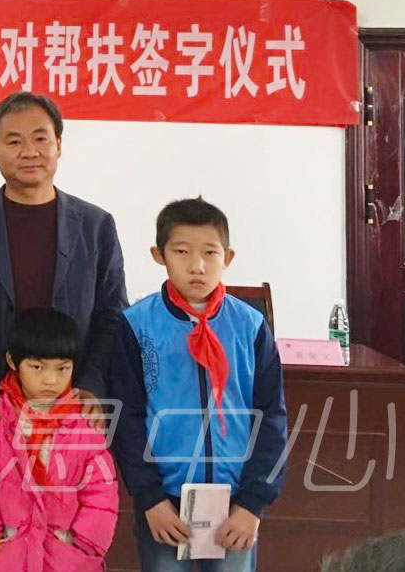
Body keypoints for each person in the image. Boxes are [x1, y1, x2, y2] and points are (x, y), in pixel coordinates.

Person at [110, 198, 288, 572]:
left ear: (228, 257)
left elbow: (271, 417)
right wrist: (149, 498)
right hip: (164, 502)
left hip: (236, 503)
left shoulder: (250, 326)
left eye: (210, 252)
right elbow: (126, 419)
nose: (197, 266)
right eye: (181, 251)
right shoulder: (136, 325)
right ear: (159, 255)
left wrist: (253, 503)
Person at [0, 92, 127, 431]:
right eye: (14, 141)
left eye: (40, 139)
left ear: (58, 145)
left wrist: (92, 384)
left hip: (71, 405)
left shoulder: (96, 225)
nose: (29, 152)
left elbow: (111, 314)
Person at [0, 308, 118, 571]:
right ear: (12, 361)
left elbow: (101, 492)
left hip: (65, 557)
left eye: (63, 368)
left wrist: (83, 547)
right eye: (37, 367)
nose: (51, 380)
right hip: (6, 554)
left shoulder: (85, 424)